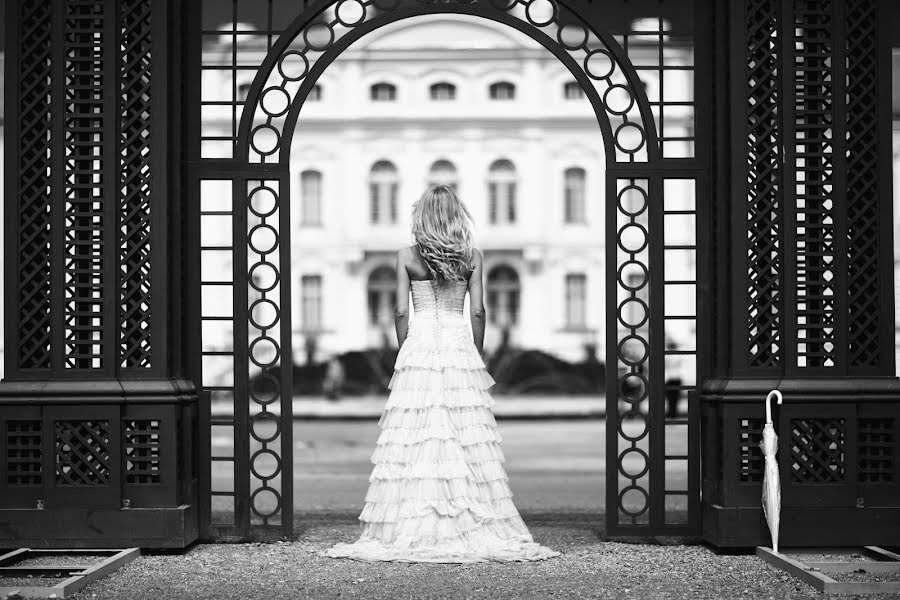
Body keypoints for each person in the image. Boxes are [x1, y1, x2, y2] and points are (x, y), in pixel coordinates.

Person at [326, 185, 560, 563]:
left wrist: (406, 348)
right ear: (457, 215)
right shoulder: (472, 256)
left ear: (421, 215)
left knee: (414, 431)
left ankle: (411, 518)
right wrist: (476, 353)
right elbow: (479, 312)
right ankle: (466, 515)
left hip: (420, 344)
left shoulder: (406, 256)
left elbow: (401, 312)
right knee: (464, 431)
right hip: (456, 344)